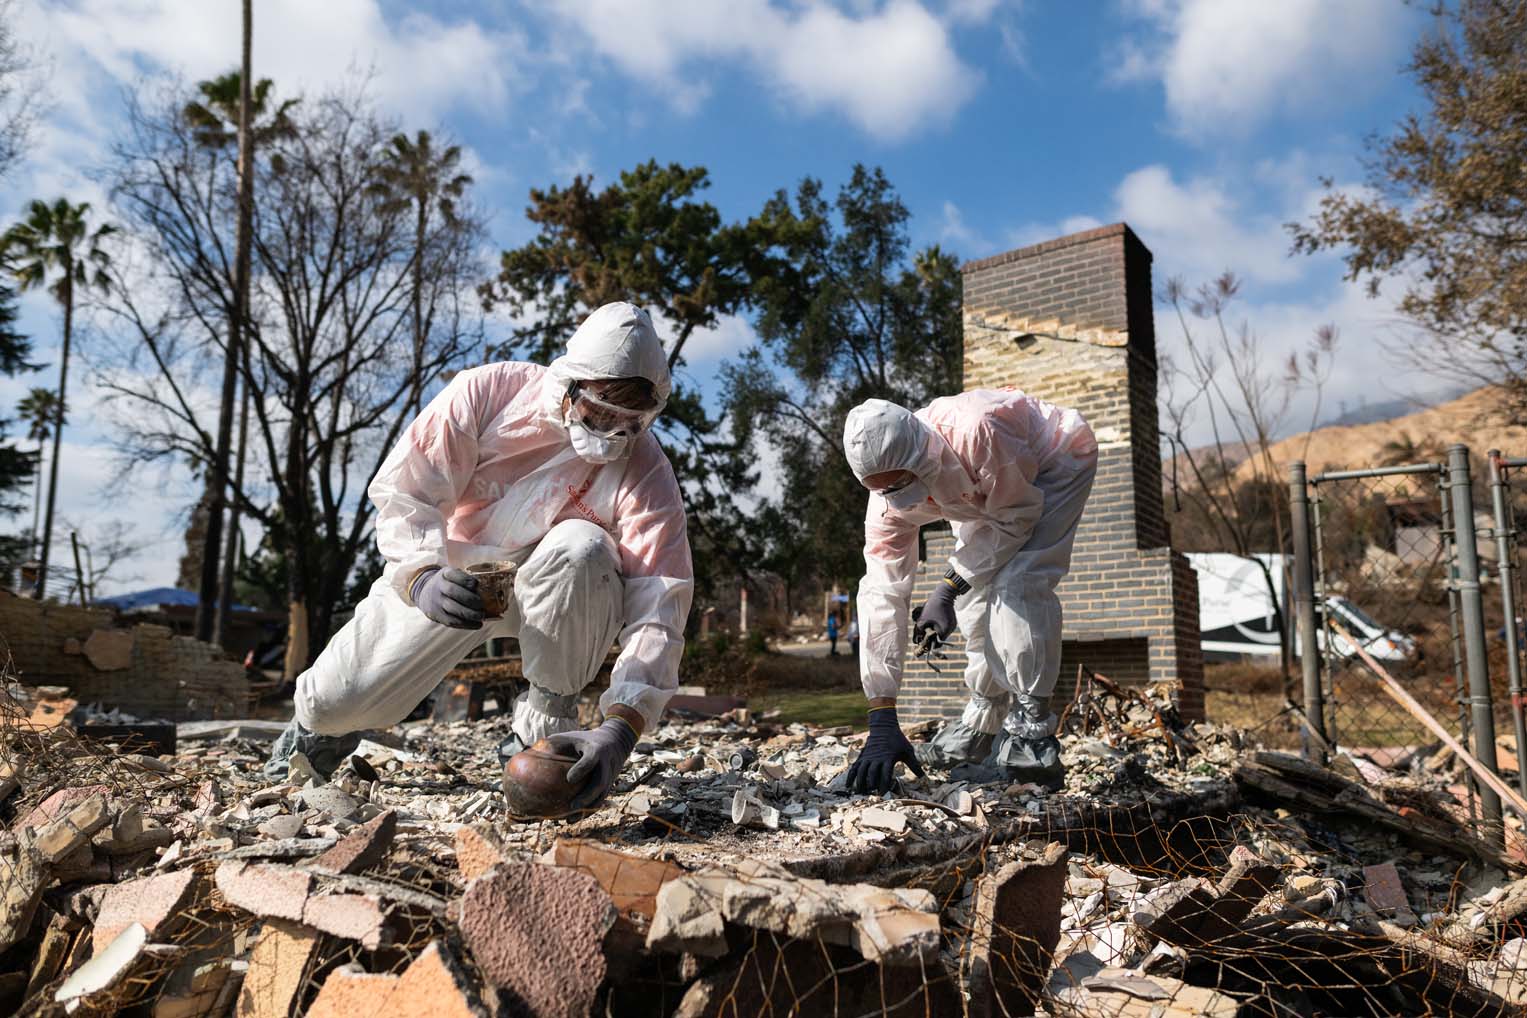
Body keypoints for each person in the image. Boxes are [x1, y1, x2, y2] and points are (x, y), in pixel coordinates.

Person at [264, 302, 694, 813]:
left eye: (632, 422)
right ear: (571, 386)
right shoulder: (489, 394)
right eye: (601, 412)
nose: (613, 434)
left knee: (584, 547)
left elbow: (659, 601)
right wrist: (420, 575)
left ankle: (542, 733)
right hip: (451, 579)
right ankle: (316, 738)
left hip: (552, 592)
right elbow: (408, 491)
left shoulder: (644, 470)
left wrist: (622, 726)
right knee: (339, 699)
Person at [840, 390, 1097, 794]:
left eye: (902, 483)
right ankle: (982, 725)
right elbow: (881, 593)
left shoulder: (976, 432)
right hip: (983, 490)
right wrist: (882, 712)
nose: (898, 496)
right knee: (975, 601)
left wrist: (947, 587)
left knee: (1019, 583)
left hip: (1053, 461)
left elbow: (1016, 519)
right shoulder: (887, 504)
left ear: (919, 454)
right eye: (885, 490)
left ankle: (1033, 742)